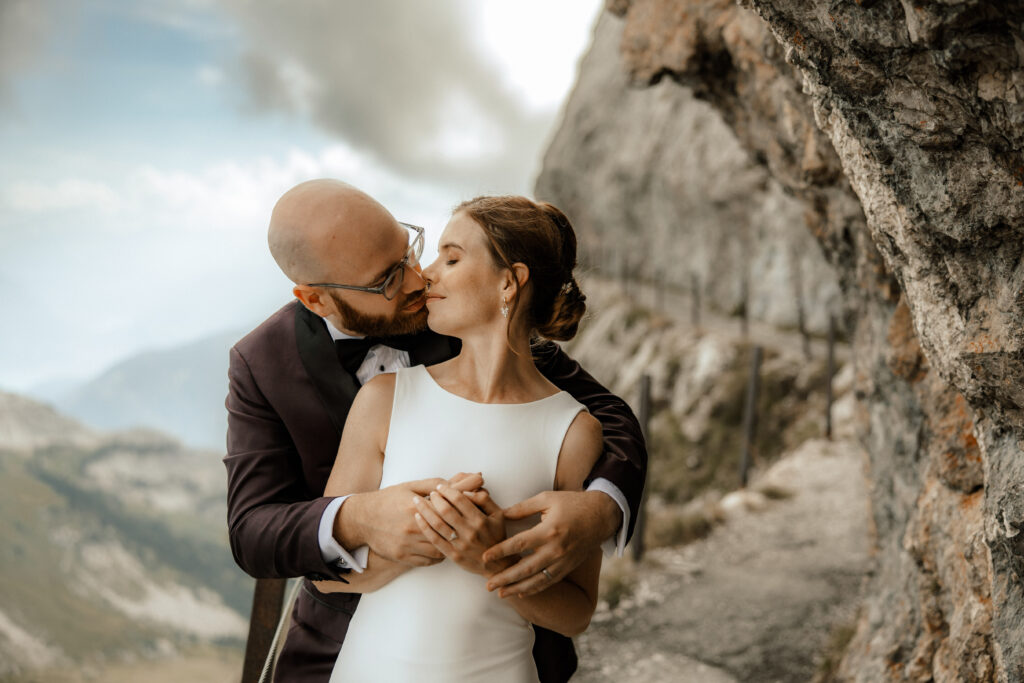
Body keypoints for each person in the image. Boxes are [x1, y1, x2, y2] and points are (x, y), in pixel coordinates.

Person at [224, 179, 646, 682]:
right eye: (386, 280)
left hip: (504, 651)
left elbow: (606, 415)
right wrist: (360, 519)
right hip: (338, 647)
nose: (415, 281)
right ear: (316, 299)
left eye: (410, 252)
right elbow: (251, 528)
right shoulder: (261, 364)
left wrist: (600, 508)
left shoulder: (458, 310)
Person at [320, 195, 605, 682]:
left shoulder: (573, 431)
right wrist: (413, 542)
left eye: (451, 258)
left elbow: (576, 612)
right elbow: (324, 575)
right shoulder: (384, 399)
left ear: (508, 283)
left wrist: (487, 560)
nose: (426, 273)